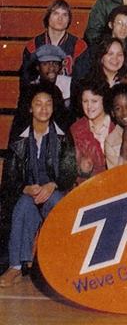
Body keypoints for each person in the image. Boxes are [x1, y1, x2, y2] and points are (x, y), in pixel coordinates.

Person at [0, 81, 77, 288]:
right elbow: (10, 178)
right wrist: (25, 188)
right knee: (22, 207)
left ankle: (60, 265)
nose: (44, 109)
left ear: (54, 107)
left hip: (54, 190)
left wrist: (52, 185)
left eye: (48, 104)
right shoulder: (20, 139)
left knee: (58, 204)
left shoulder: (63, 136)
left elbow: (70, 172)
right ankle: (15, 267)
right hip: (30, 191)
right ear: (30, 107)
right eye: (38, 104)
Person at [20, 0, 87, 89]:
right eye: (56, 13)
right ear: (48, 17)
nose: (60, 18)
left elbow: (81, 83)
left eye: (65, 14)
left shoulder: (79, 46)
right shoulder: (33, 45)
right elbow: (26, 80)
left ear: (69, 20)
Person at [70, 79, 112, 183]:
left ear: (105, 101)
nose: (89, 106)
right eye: (85, 101)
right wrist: (81, 168)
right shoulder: (76, 129)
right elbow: (71, 169)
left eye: (94, 101)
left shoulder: (116, 125)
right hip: (89, 186)